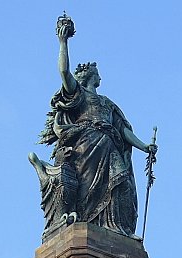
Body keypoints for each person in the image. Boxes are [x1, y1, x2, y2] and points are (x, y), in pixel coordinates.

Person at [31, 13, 156, 238]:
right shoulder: (77, 94)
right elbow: (63, 72)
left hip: (109, 146)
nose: (100, 76)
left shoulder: (107, 103)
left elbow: (124, 131)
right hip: (86, 146)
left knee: (121, 182)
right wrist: (63, 43)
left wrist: (144, 146)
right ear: (89, 76)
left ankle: (117, 229)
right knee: (87, 188)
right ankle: (86, 223)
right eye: (97, 73)